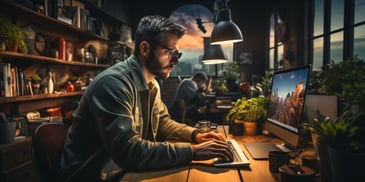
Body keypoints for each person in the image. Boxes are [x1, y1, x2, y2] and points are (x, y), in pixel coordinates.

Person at [58, 15, 233, 181]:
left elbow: (163, 123)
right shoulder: (113, 84)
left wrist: (196, 135)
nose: (175, 61)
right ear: (145, 48)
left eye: (177, 55)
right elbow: (128, 151)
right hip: (92, 176)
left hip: (123, 171)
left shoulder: (151, 84)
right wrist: (193, 152)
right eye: (170, 53)